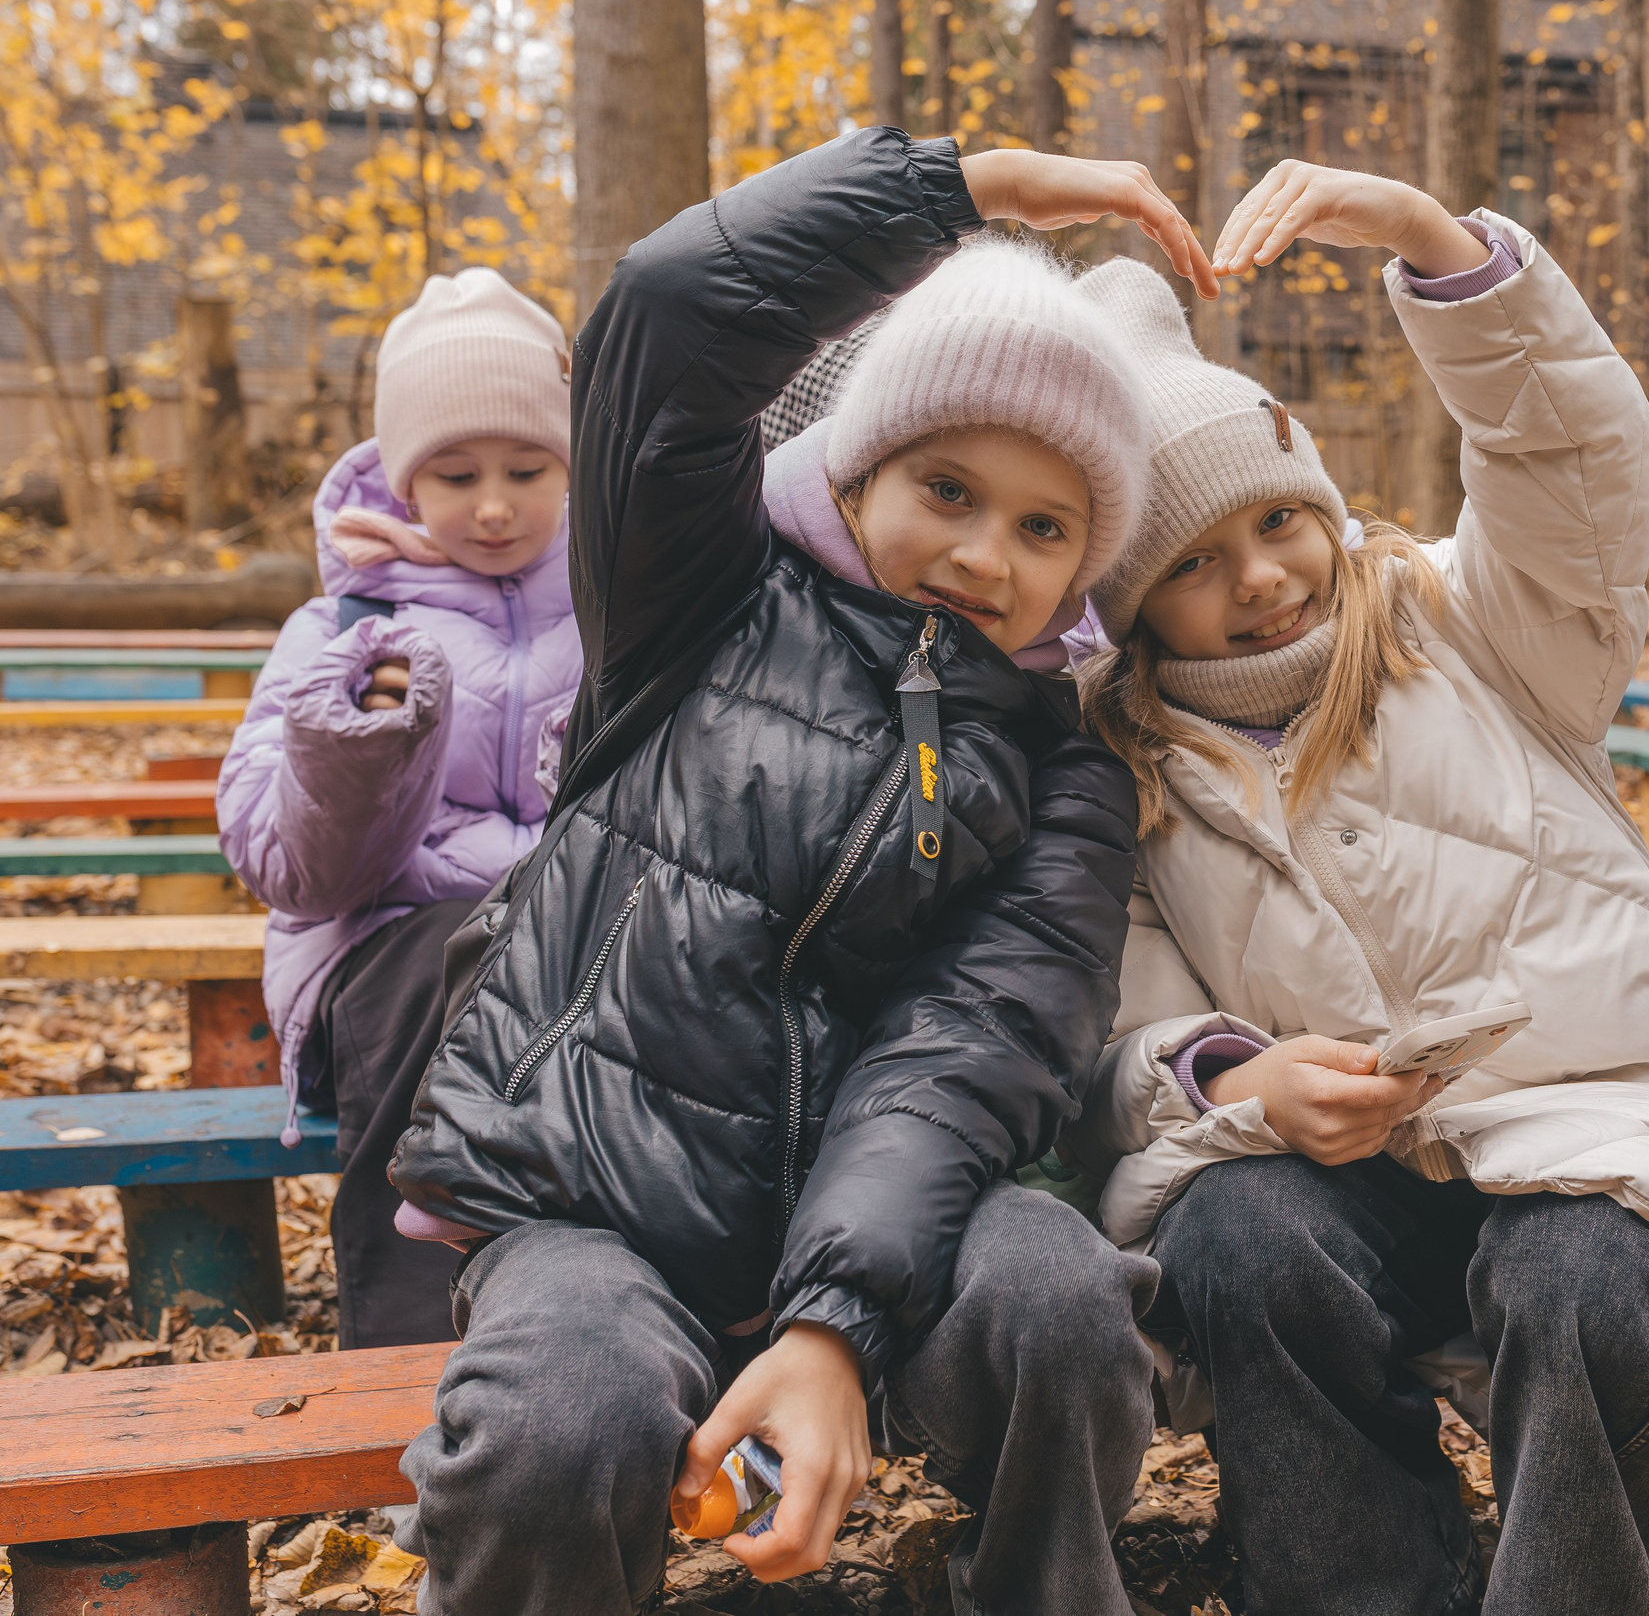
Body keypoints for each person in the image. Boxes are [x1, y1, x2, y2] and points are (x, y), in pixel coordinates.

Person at [384, 132, 1219, 1616]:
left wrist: (832, 1323)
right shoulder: (690, 594)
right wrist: (956, 188)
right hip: (599, 1200)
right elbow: (662, 315)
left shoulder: (1068, 767)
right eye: (947, 487)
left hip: (910, 1222)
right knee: (553, 1421)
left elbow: (970, 1047)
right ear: (858, 463)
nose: (982, 551)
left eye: (1044, 526)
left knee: (1066, 1304)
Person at [1059, 160, 1649, 1616]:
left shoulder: (1484, 623)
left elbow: (1576, 461)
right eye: (1197, 561)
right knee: (1235, 1233)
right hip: (1358, 1186)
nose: (1266, 577)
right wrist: (1242, 1075)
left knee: (1575, 1275)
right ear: (1134, 599)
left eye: (1279, 520)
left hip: (1605, 1131)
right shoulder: (1129, 764)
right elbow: (1119, 1037)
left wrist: (1436, 245)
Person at [217, 268, 582, 1349]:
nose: (494, 503)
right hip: (388, 965)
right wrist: (363, 749)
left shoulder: (624, 600)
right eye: (455, 473)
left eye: (528, 467)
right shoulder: (345, 625)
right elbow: (286, 868)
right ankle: (405, 1373)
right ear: (401, 479)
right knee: (451, 958)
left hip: (573, 948)